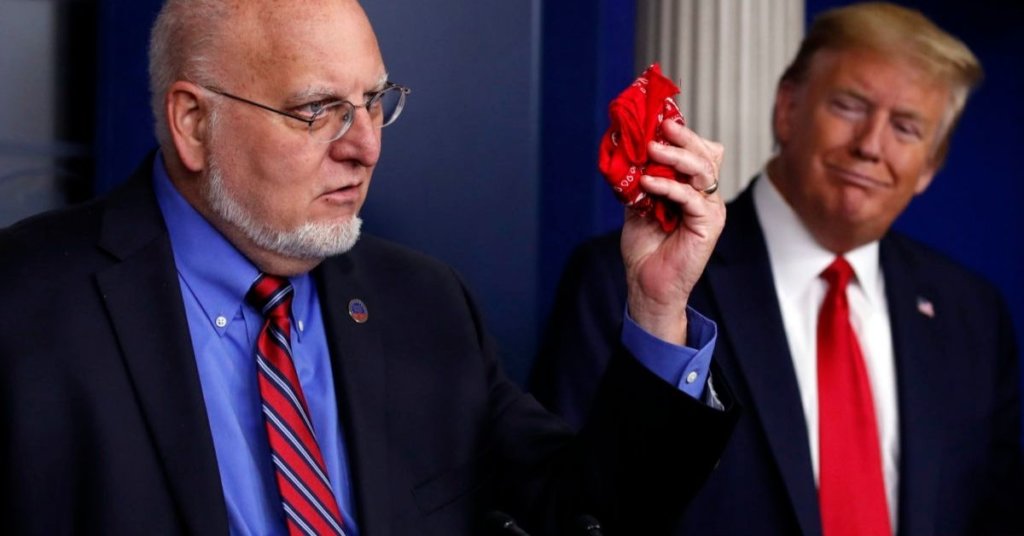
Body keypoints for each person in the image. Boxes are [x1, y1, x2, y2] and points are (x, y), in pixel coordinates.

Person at [0, 0, 739, 534]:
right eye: (317, 110)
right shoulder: (25, 303)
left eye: (375, 101)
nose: (366, 147)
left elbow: (585, 513)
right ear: (194, 123)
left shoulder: (423, 302)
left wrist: (657, 309)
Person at [530, 3, 1023, 535]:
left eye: (905, 128)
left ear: (930, 166)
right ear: (787, 108)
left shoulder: (971, 314)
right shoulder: (627, 283)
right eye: (850, 106)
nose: (870, 146)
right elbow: (572, 509)